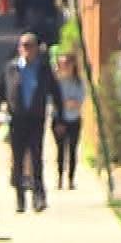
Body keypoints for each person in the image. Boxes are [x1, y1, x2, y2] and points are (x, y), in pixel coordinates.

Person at [0, 32, 63, 212]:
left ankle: (39, 197)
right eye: (24, 46)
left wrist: (59, 116)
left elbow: (56, 94)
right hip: (16, 120)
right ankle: (20, 200)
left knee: (36, 158)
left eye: (30, 46)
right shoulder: (11, 68)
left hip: (36, 119)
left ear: (36, 49)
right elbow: (0, 90)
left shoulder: (43, 69)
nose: (27, 50)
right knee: (17, 161)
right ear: (19, 48)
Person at [52, 53, 87, 190]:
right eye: (61, 64)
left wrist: (67, 103)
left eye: (67, 64)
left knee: (72, 150)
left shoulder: (78, 82)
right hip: (59, 119)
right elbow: (53, 102)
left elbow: (79, 101)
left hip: (74, 119)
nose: (64, 67)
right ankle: (60, 178)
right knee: (60, 150)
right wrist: (66, 103)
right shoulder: (55, 83)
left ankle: (71, 180)